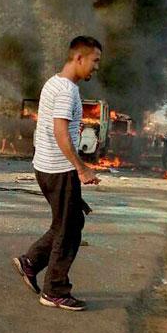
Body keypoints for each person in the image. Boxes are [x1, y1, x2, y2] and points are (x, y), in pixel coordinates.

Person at [13, 36, 102, 312]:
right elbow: (60, 132)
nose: (96, 67)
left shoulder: (54, 83)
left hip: (47, 166)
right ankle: (54, 290)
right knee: (69, 230)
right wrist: (81, 168)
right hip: (58, 169)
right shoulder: (66, 90)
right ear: (79, 58)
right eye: (95, 60)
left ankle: (30, 262)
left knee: (69, 222)